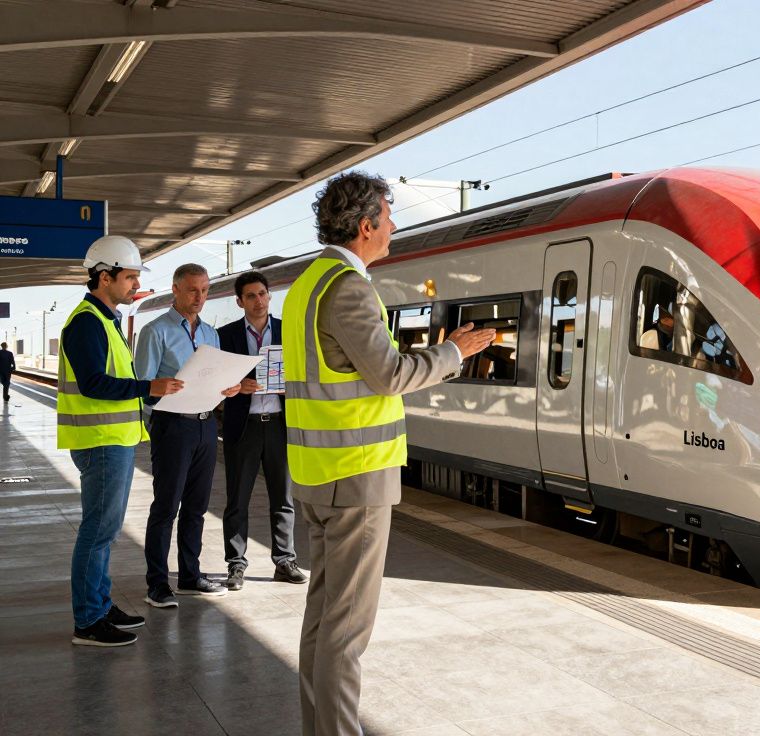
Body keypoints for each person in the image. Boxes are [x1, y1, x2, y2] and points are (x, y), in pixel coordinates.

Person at [288, 172, 494, 735]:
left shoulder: (307, 284)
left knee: (323, 619)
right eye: (389, 217)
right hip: (355, 475)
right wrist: (454, 352)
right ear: (365, 226)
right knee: (347, 632)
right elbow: (389, 374)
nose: (394, 228)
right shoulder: (348, 286)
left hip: (318, 472)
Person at [57, 235, 183, 646]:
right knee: (97, 531)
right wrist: (151, 386)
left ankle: (100, 603)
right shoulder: (86, 323)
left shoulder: (105, 321)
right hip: (101, 442)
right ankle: (88, 621)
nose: (134, 285)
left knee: (105, 531)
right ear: (104, 277)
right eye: (129, 277)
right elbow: (94, 383)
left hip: (114, 440)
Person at [135, 263, 241, 608]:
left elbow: (215, 379)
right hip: (172, 426)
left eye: (206, 290)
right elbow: (143, 386)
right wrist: (160, 391)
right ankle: (157, 584)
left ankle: (190, 577)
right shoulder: (155, 331)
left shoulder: (211, 334)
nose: (200, 297)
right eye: (193, 290)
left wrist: (230, 388)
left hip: (206, 424)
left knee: (196, 506)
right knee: (166, 507)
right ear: (176, 289)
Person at [217, 271, 306, 591]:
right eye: (251, 296)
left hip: (280, 426)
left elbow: (307, 375)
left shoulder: (289, 332)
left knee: (283, 498)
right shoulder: (224, 336)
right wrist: (237, 387)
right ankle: (236, 565)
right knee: (237, 499)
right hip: (244, 427)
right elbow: (212, 381)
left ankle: (285, 561)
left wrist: (289, 388)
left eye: (263, 294)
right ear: (239, 301)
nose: (258, 301)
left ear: (270, 296)